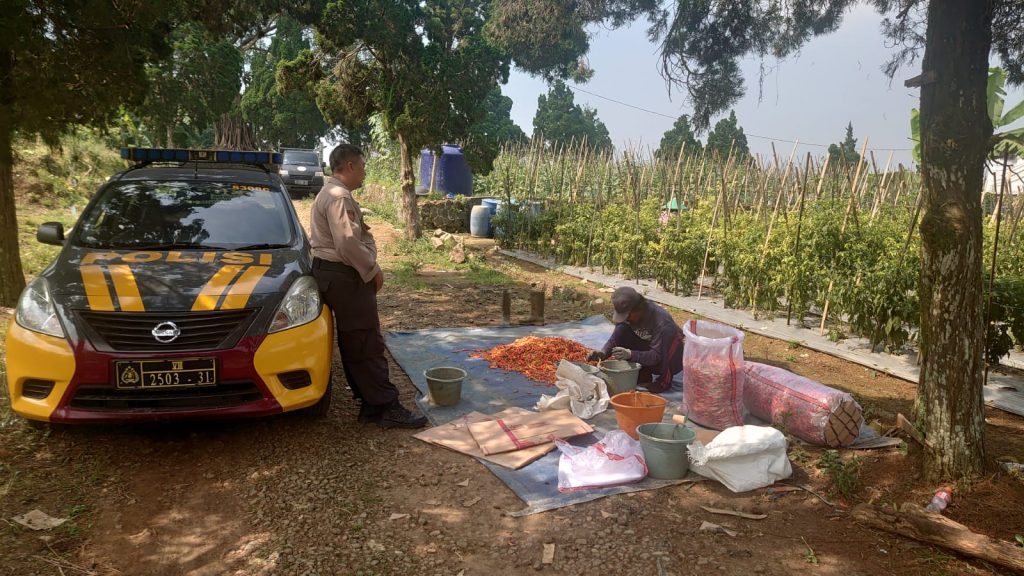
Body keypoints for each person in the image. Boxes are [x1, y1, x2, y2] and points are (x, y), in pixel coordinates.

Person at [309, 143, 427, 428]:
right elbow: (348, 243)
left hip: (332, 272)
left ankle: (371, 404)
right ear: (349, 166)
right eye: (362, 167)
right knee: (366, 340)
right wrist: (372, 270)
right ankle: (386, 405)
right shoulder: (338, 196)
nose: (364, 173)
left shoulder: (329, 192)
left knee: (353, 340)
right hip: (345, 274)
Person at [587, 286, 684, 393]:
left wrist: (631, 354)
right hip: (649, 346)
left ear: (639, 309)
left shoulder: (662, 323)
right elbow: (616, 337)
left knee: (668, 347)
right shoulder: (630, 317)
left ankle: (664, 381)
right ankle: (644, 372)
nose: (626, 319)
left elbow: (657, 355)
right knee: (622, 328)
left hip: (671, 358)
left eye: (628, 316)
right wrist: (603, 353)